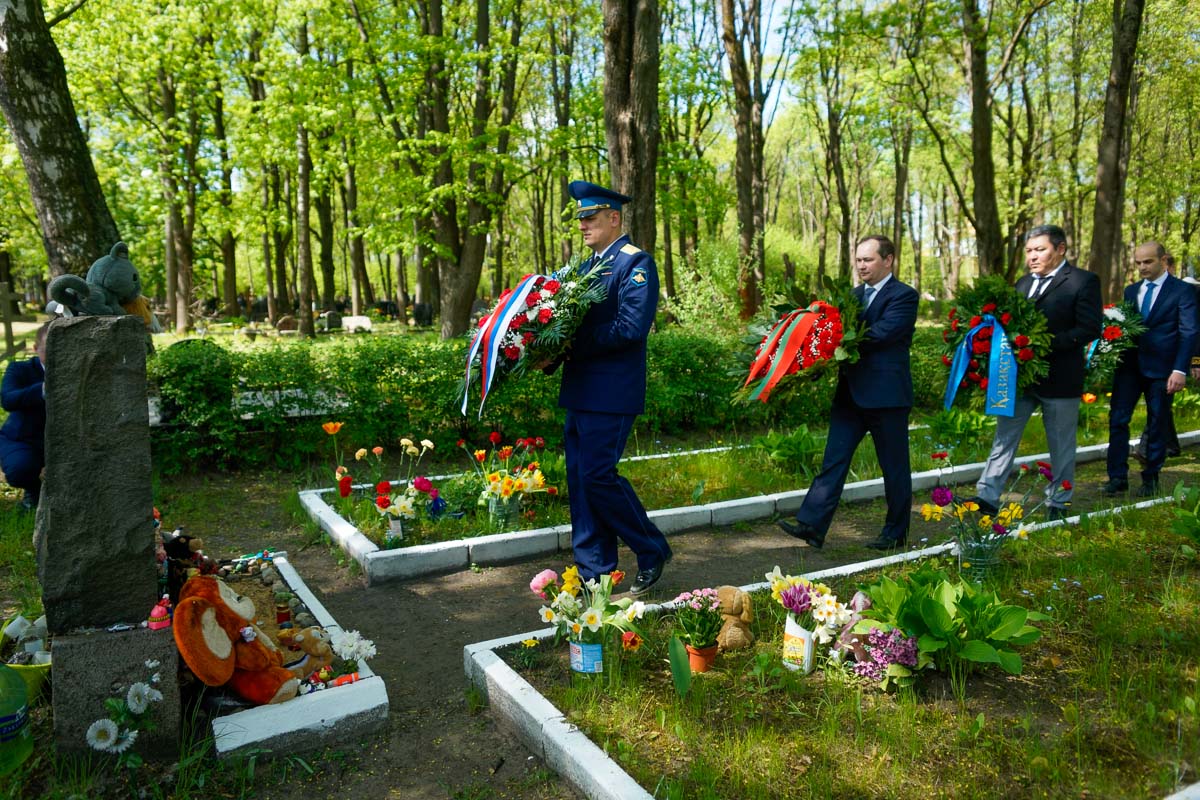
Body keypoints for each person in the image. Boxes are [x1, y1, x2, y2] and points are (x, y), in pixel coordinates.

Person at [550, 180, 672, 595]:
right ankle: (593, 572)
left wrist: (573, 344)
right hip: (581, 390)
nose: (582, 225)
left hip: (612, 392)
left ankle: (651, 548)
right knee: (581, 481)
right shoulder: (582, 268)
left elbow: (630, 328)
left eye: (590, 217)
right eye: (580, 218)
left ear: (614, 217)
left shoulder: (635, 263)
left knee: (599, 476)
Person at [777, 235, 919, 550]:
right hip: (850, 395)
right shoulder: (851, 296)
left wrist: (837, 338)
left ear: (888, 259)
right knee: (833, 461)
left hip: (887, 397)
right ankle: (812, 526)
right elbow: (830, 331)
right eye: (858, 260)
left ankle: (895, 534)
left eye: (868, 259)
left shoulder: (904, 296)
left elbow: (882, 334)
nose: (861, 265)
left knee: (894, 469)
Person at [971, 224, 1102, 520]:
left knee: (1061, 443)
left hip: (1061, 378)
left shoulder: (1083, 281)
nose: (1032, 256)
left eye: (1040, 250)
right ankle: (988, 495)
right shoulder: (1022, 283)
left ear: (1060, 249)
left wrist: (1043, 345)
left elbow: (1090, 327)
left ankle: (1058, 502)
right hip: (1019, 378)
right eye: (1029, 251)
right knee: (1004, 437)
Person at [1104, 242, 1198, 497]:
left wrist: (1181, 369)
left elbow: (1190, 332)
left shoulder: (1182, 291)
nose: (1142, 267)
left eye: (1148, 262)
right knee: (1117, 420)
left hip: (1164, 370)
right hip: (1129, 368)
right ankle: (1117, 478)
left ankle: (1150, 477)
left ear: (1163, 260)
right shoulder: (1131, 291)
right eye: (1138, 263)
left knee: (1157, 422)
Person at [1, 324, 48, 511]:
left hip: (67, 439)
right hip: (23, 438)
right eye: (48, 349)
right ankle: (33, 491)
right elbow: (8, 399)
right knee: (20, 468)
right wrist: (42, 390)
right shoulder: (19, 369)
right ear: (36, 348)